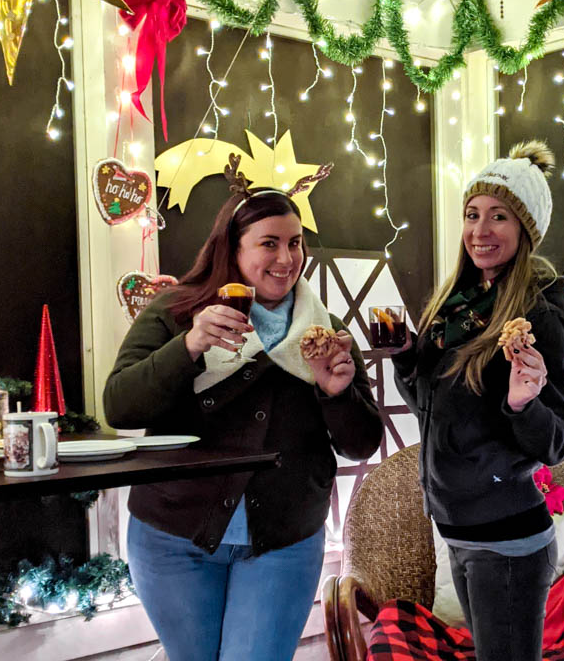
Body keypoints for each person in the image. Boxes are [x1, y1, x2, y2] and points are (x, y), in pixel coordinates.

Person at [104, 160, 384, 661]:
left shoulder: (323, 331)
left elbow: (362, 443)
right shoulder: (177, 311)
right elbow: (120, 405)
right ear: (232, 248)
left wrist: (335, 392)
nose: (287, 257)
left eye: (295, 242)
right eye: (269, 243)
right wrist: (189, 346)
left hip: (282, 540)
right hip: (173, 536)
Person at [391, 140, 564, 661]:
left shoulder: (538, 315)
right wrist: (408, 357)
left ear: (525, 231)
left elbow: (559, 440)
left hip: (508, 542)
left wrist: (524, 403)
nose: (480, 230)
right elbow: (430, 409)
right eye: (473, 214)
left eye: (499, 217)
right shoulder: (453, 307)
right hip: (457, 530)